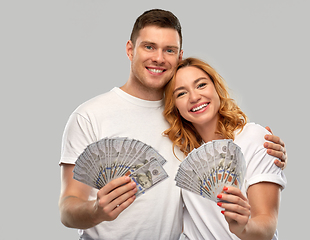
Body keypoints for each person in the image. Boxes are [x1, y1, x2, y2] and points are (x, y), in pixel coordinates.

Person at [59, 9, 287, 239]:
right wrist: (97, 210)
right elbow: (68, 208)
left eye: (169, 50)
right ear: (130, 49)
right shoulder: (89, 116)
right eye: (149, 46)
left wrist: (261, 145)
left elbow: (234, 143)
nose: (159, 57)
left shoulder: (185, 122)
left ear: (179, 56)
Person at [163, 57, 287, 240]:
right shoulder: (179, 156)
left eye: (201, 85)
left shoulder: (253, 138)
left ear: (216, 87)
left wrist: (244, 228)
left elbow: (267, 222)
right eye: (181, 93)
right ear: (174, 107)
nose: (194, 97)